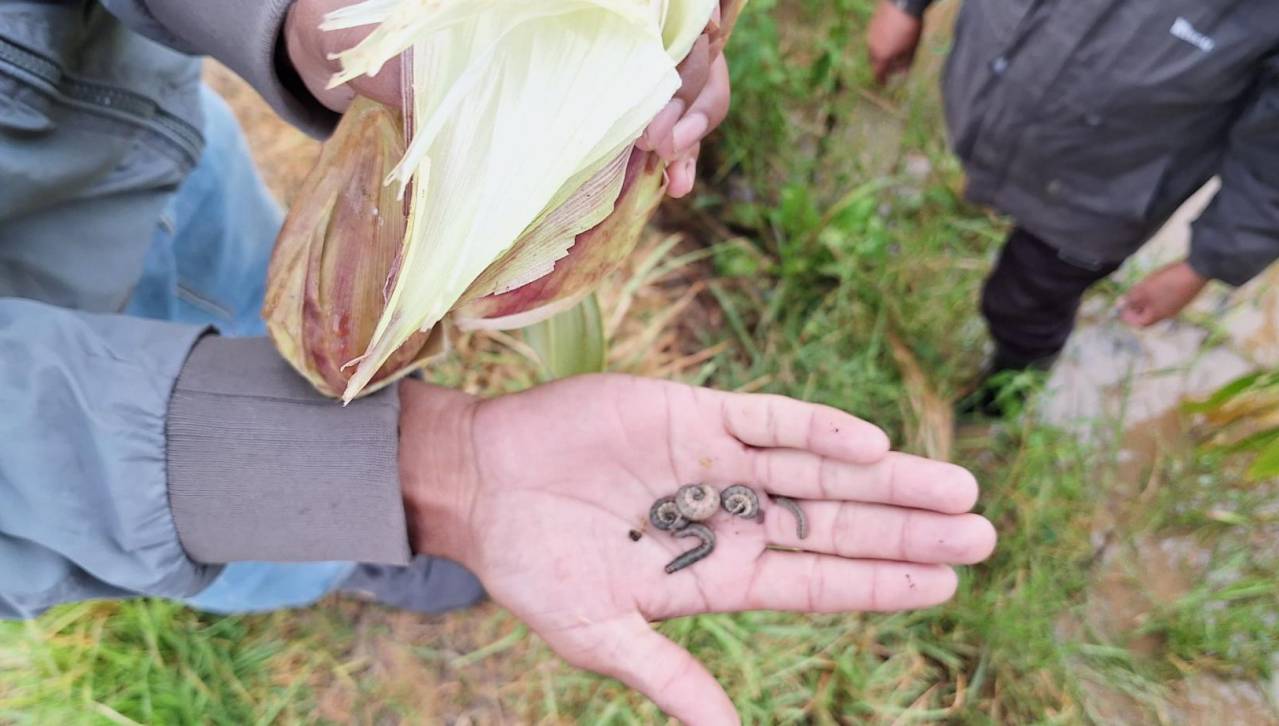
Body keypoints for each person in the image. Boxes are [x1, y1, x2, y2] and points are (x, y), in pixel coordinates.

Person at [1, 1, 996, 723]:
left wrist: (311, 24)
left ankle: (354, 524)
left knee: (266, 303)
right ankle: (332, 556)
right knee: (240, 511)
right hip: (41, 459)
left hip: (127, 139)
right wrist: (430, 475)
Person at [866, 0, 1279, 416]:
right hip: (988, 95)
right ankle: (987, 184)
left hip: (1102, 196)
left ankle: (1005, 397)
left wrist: (1204, 263)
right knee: (965, 173)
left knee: (1024, 304)